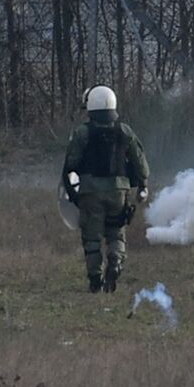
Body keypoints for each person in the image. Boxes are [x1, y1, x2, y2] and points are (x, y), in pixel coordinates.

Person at [61, 85, 150, 293]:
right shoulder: (124, 130)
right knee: (116, 232)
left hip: (90, 191)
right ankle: (116, 263)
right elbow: (141, 163)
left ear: (91, 107)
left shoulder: (82, 133)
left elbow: (71, 164)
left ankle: (95, 278)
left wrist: (72, 191)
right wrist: (143, 184)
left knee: (92, 236)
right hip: (119, 191)